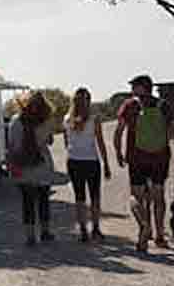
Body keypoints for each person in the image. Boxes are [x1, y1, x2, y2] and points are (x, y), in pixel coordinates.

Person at [114, 74, 174, 252]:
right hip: (160, 157)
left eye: (133, 86)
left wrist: (118, 153)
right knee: (158, 196)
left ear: (140, 88)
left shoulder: (130, 105)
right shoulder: (164, 105)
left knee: (135, 197)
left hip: (136, 157)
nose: (131, 89)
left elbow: (118, 132)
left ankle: (144, 227)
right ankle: (160, 235)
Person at [7, 91, 59, 246]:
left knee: (27, 201)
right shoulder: (45, 121)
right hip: (42, 164)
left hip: (22, 166)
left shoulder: (16, 120)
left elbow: (12, 144)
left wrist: (12, 164)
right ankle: (45, 232)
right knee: (43, 199)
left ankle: (30, 236)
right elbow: (49, 141)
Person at [63, 87, 112, 243]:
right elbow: (100, 143)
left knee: (79, 197)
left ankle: (83, 230)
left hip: (73, 161)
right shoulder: (94, 119)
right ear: (89, 101)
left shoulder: (66, 119)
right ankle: (95, 229)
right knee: (95, 197)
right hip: (91, 161)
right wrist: (106, 164)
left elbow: (66, 143)